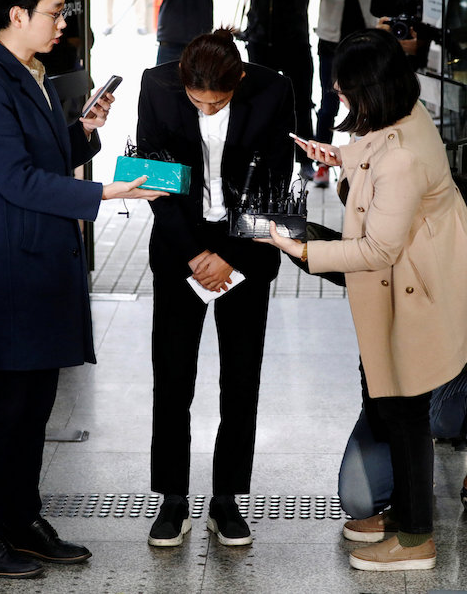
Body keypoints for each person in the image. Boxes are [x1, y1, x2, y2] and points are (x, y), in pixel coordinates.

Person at [0, 0, 166, 579]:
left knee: (36, 402)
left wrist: (85, 133)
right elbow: (17, 181)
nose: (62, 25)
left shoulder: (28, 73)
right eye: (53, 13)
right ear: (16, 14)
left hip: (41, 262)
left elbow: (42, 156)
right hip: (13, 271)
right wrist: (109, 195)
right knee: (7, 407)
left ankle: (21, 520)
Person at [261, 29, 467, 571]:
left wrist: (301, 249)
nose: (341, 99)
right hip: (416, 283)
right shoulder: (407, 113)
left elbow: (377, 248)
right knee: (392, 406)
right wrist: (339, 155)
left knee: (404, 411)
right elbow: (379, 147)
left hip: (414, 294)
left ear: (371, 90)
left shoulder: (402, 160)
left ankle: (416, 539)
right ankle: (403, 517)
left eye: (346, 92)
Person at [136, 29, 294, 548]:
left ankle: (227, 498)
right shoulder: (157, 86)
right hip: (183, 245)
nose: (205, 110)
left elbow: (277, 180)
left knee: (241, 379)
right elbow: (154, 179)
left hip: (244, 244)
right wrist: (194, 254)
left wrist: (230, 255)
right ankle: (173, 499)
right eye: (196, 100)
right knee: (173, 378)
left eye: (218, 102)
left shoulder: (273, 90)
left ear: (239, 80)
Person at [338, 173, 467, 538]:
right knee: (358, 501)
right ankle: (408, 490)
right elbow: (337, 247)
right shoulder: (389, 260)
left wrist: (442, 351)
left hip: (450, 395)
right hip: (398, 403)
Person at [224, 0, 314, 178]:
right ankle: (259, 153)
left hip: (294, 39)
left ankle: (305, 158)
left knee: (301, 101)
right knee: (259, 102)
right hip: (261, 39)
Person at [304, 0, 391, 186]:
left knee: (368, 102)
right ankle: (322, 164)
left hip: (366, 41)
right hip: (332, 40)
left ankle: (366, 160)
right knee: (328, 104)